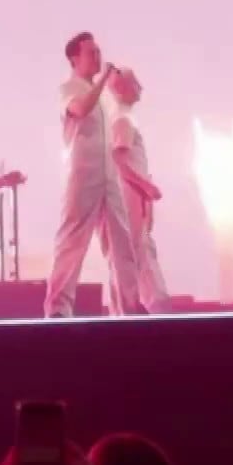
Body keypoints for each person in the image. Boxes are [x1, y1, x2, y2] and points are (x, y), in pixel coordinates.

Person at [47, 32, 144, 317]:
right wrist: (101, 82)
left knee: (121, 245)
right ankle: (58, 309)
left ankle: (128, 307)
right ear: (74, 59)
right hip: (82, 177)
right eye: (91, 53)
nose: (98, 57)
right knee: (72, 243)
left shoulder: (104, 99)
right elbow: (79, 109)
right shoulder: (69, 89)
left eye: (99, 52)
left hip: (108, 177)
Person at [101, 68, 170, 314]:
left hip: (132, 195)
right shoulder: (122, 119)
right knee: (129, 254)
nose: (140, 87)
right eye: (134, 83)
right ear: (122, 88)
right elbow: (118, 159)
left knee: (135, 252)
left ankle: (144, 308)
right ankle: (136, 311)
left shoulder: (122, 118)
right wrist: (146, 186)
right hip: (127, 196)